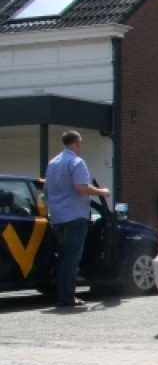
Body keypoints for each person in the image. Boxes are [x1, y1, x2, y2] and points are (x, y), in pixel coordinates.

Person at [44, 131, 110, 308]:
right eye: (81, 142)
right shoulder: (76, 162)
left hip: (57, 217)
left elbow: (47, 188)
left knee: (64, 257)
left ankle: (62, 294)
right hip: (74, 215)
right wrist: (102, 192)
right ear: (77, 143)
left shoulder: (53, 163)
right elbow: (81, 188)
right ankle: (67, 297)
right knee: (71, 259)